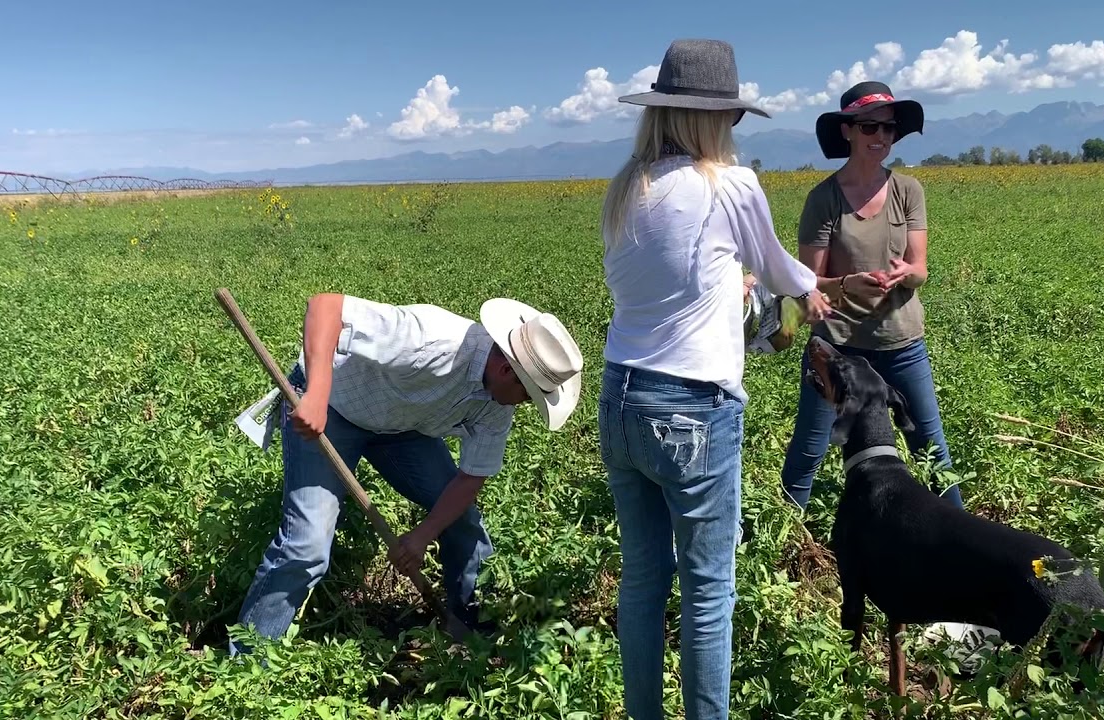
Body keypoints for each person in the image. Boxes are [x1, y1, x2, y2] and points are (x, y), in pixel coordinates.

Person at [597, 39, 832, 720]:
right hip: (692, 408)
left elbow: (673, 282)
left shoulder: (626, 189)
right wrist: (813, 294)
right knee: (707, 593)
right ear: (716, 119)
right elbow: (783, 272)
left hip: (620, 397)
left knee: (642, 582)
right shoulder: (731, 185)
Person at [228, 292, 584, 655]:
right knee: (307, 545)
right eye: (528, 396)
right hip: (334, 407)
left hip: (400, 430)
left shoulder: (497, 404)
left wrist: (422, 535)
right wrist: (317, 394)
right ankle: (246, 663)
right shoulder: (432, 339)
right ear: (508, 370)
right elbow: (326, 307)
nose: (523, 405)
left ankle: (470, 629)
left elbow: (470, 479)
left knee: (462, 523)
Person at [779, 80, 964, 512]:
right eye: (868, 127)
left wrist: (907, 275)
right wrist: (846, 286)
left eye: (887, 128)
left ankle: (958, 535)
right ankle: (783, 541)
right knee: (810, 446)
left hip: (902, 342)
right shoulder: (823, 199)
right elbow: (808, 284)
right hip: (836, 347)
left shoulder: (908, 191)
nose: (880, 137)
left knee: (930, 446)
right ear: (847, 131)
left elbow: (920, 268)